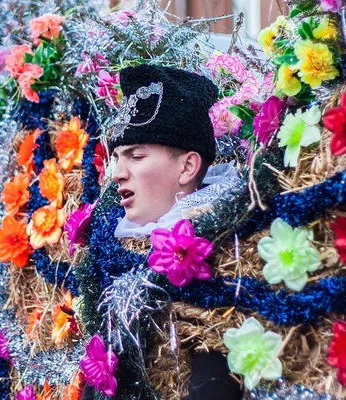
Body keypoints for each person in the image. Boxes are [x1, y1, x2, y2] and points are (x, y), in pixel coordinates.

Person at [107, 64, 242, 399]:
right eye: (116, 158)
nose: (117, 174)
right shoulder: (114, 253)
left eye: (136, 156)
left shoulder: (231, 260)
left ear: (188, 166)